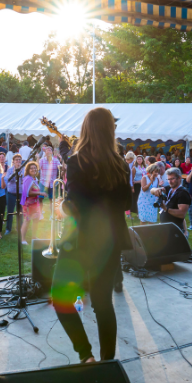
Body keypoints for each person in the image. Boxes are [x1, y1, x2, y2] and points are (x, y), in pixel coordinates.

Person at [52, 107, 131, 363]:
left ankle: (86, 355)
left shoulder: (78, 161)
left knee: (61, 299)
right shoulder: (121, 164)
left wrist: (62, 207)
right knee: (103, 303)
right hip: (110, 241)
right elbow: (125, 202)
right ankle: (107, 363)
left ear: (86, 129)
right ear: (110, 131)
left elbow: (77, 206)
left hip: (80, 241)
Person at [151, 167, 191, 235]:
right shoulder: (169, 188)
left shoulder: (183, 193)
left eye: (172, 179)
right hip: (166, 229)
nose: (170, 181)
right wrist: (156, 190)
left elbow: (182, 214)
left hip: (175, 231)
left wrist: (166, 208)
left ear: (179, 178)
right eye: (168, 179)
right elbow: (151, 191)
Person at [20, 161, 42, 245]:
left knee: (36, 220)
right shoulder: (28, 179)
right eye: (31, 168)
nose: (33, 169)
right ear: (28, 170)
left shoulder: (34, 179)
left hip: (35, 203)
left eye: (34, 168)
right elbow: (28, 193)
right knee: (27, 220)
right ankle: (23, 239)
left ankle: (34, 237)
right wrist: (40, 193)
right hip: (28, 204)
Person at [4, 153, 24, 235]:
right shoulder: (10, 170)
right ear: (13, 161)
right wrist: (15, 173)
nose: (18, 161)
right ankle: (8, 229)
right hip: (11, 193)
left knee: (20, 211)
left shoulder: (24, 169)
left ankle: (19, 228)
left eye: (19, 160)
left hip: (20, 193)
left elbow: (24, 179)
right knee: (10, 211)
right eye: (16, 160)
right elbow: (8, 179)